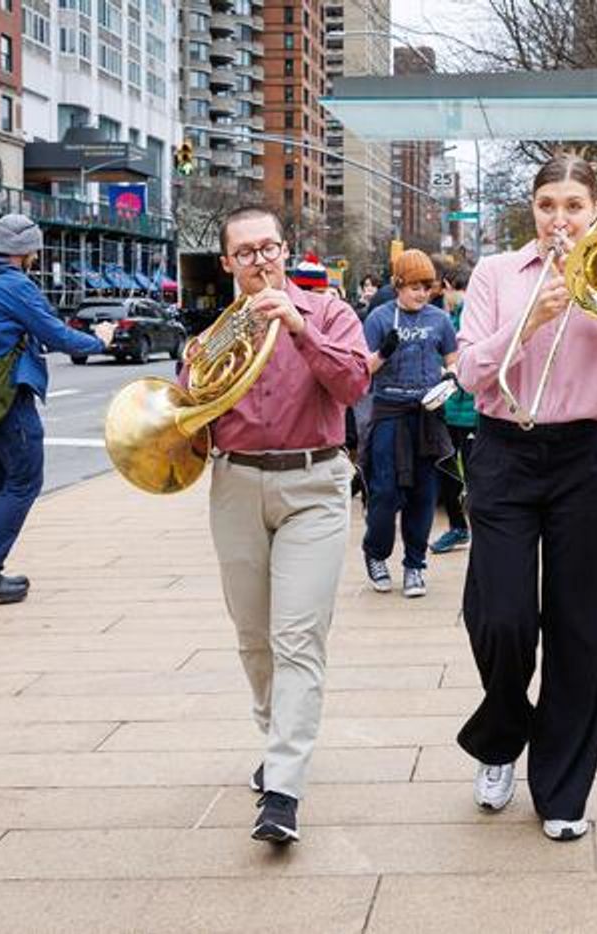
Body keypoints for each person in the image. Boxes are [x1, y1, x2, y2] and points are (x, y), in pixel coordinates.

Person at [454, 151, 597, 841]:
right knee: (502, 617)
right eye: (548, 206)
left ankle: (562, 787)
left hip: (584, 459)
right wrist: (530, 321)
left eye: (574, 207)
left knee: (579, 627)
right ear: (532, 211)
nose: (559, 220)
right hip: (505, 450)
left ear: (594, 211)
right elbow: (468, 373)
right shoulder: (495, 275)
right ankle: (503, 734)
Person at [183, 205, 369, 844]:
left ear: (285, 251)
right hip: (236, 484)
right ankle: (277, 736)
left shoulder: (330, 314)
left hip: (314, 485)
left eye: (269, 248)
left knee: (297, 638)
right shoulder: (212, 338)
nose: (259, 260)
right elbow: (190, 419)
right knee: (253, 637)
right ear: (228, 263)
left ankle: (284, 788)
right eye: (246, 252)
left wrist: (299, 330)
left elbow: (350, 387)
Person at [0, 213, 114, 604]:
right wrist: (100, 340)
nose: (38, 255)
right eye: (36, 248)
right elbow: (55, 334)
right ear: (25, 250)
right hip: (10, 396)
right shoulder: (14, 286)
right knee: (25, 479)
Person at [360, 249, 458, 597]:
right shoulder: (379, 319)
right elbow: (361, 370)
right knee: (385, 492)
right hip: (389, 413)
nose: (420, 293)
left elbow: (452, 357)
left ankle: (415, 565)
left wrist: (451, 375)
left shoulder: (439, 319)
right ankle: (375, 554)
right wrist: (382, 353)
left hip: (428, 415)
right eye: (414, 286)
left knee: (424, 494)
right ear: (398, 284)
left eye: (426, 286)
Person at [431, 263, 477, 555]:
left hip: (471, 409)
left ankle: (465, 527)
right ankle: (459, 527)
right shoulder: (450, 316)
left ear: (447, 285)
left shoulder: (465, 317)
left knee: (467, 473)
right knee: (449, 470)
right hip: (452, 408)